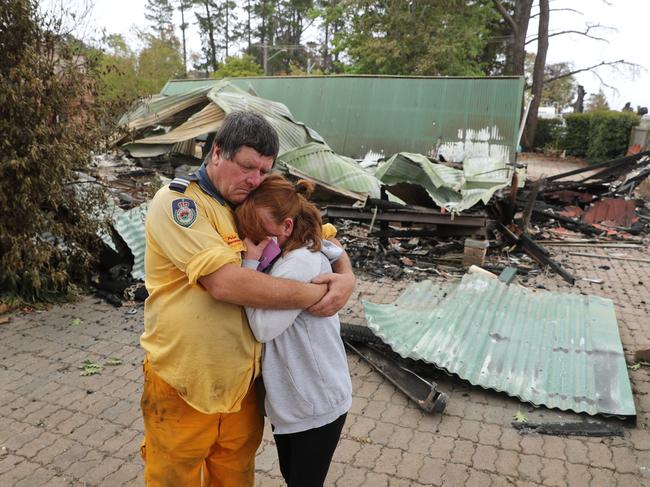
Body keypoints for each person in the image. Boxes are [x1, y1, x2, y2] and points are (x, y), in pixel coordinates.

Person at [140, 111, 355, 487]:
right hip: (185, 382)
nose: (255, 179)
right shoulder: (181, 204)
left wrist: (346, 277)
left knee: (235, 480)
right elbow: (224, 284)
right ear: (217, 153)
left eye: (264, 170)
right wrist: (316, 293)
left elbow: (317, 231)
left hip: (243, 388)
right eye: (247, 167)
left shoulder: (251, 196)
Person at [235, 175, 352, 487]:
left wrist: (249, 264)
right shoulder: (300, 250)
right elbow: (334, 248)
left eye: (258, 231)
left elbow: (262, 328)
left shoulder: (297, 264)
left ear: (286, 227)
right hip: (304, 401)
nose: (252, 238)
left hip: (313, 403)